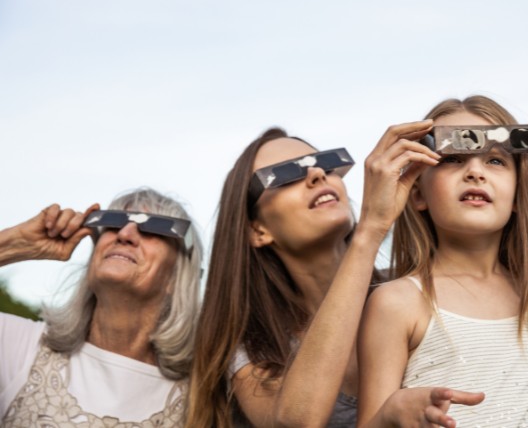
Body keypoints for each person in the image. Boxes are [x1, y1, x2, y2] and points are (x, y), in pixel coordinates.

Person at [187, 127, 482, 427]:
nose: (317, 173)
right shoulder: (252, 346)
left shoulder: (412, 290)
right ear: (257, 230)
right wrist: (369, 232)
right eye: (286, 174)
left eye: (325, 162)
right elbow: (296, 421)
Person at [357, 95, 528, 427]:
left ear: (517, 195)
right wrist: (392, 413)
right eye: (453, 158)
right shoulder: (396, 302)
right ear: (418, 193)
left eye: (495, 161)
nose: (475, 172)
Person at [0, 187, 203, 425]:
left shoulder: (207, 395)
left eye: (153, 228)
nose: (125, 234)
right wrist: (13, 245)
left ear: (177, 276)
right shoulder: (17, 346)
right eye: (113, 223)